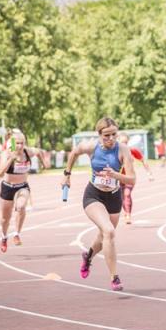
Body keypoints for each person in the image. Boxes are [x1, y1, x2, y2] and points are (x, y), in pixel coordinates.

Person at [61, 117, 136, 291]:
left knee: (103, 237)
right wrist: (66, 174)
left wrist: (116, 175)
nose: (111, 139)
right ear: (99, 135)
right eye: (106, 136)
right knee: (109, 231)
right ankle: (114, 278)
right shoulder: (91, 146)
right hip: (93, 195)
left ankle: (88, 257)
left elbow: (132, 178)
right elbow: (74, 152)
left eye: (114, 135)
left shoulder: (123, 150)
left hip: (114, 197)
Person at [0, 130, 46, 252]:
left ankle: (16, 234)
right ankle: (4, 236)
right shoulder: (6, 154)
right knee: (4, 219)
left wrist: (44, 163)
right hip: (8, 187)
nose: (20, 146)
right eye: (17, 143)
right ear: (12, 143)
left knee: (21, 206)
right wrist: (10, 159)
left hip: (22, 186)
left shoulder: (27, 152)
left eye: (22, 143)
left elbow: (39, 152)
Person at [118, 133, 153, 225]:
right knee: (121, 197)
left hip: (130, 177)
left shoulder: (132, 151)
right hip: (118, 177)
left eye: (126, 142)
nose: (124, 144)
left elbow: (143, 161)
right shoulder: (115, 151)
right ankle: (126, 213)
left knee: (127, 194)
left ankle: (128, 215)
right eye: (122, 142)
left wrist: (149, 173)